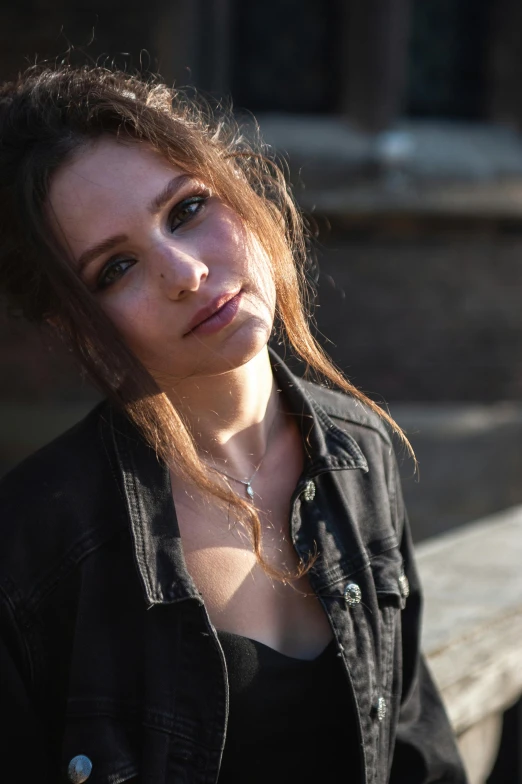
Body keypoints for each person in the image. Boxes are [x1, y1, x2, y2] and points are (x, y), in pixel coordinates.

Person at [0, 65, 466, 784]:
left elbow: (415, 752)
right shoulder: (33, 546)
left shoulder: (359, 452)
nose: (183, 271)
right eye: (116, 267)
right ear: (80, 327)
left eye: (186, 209)